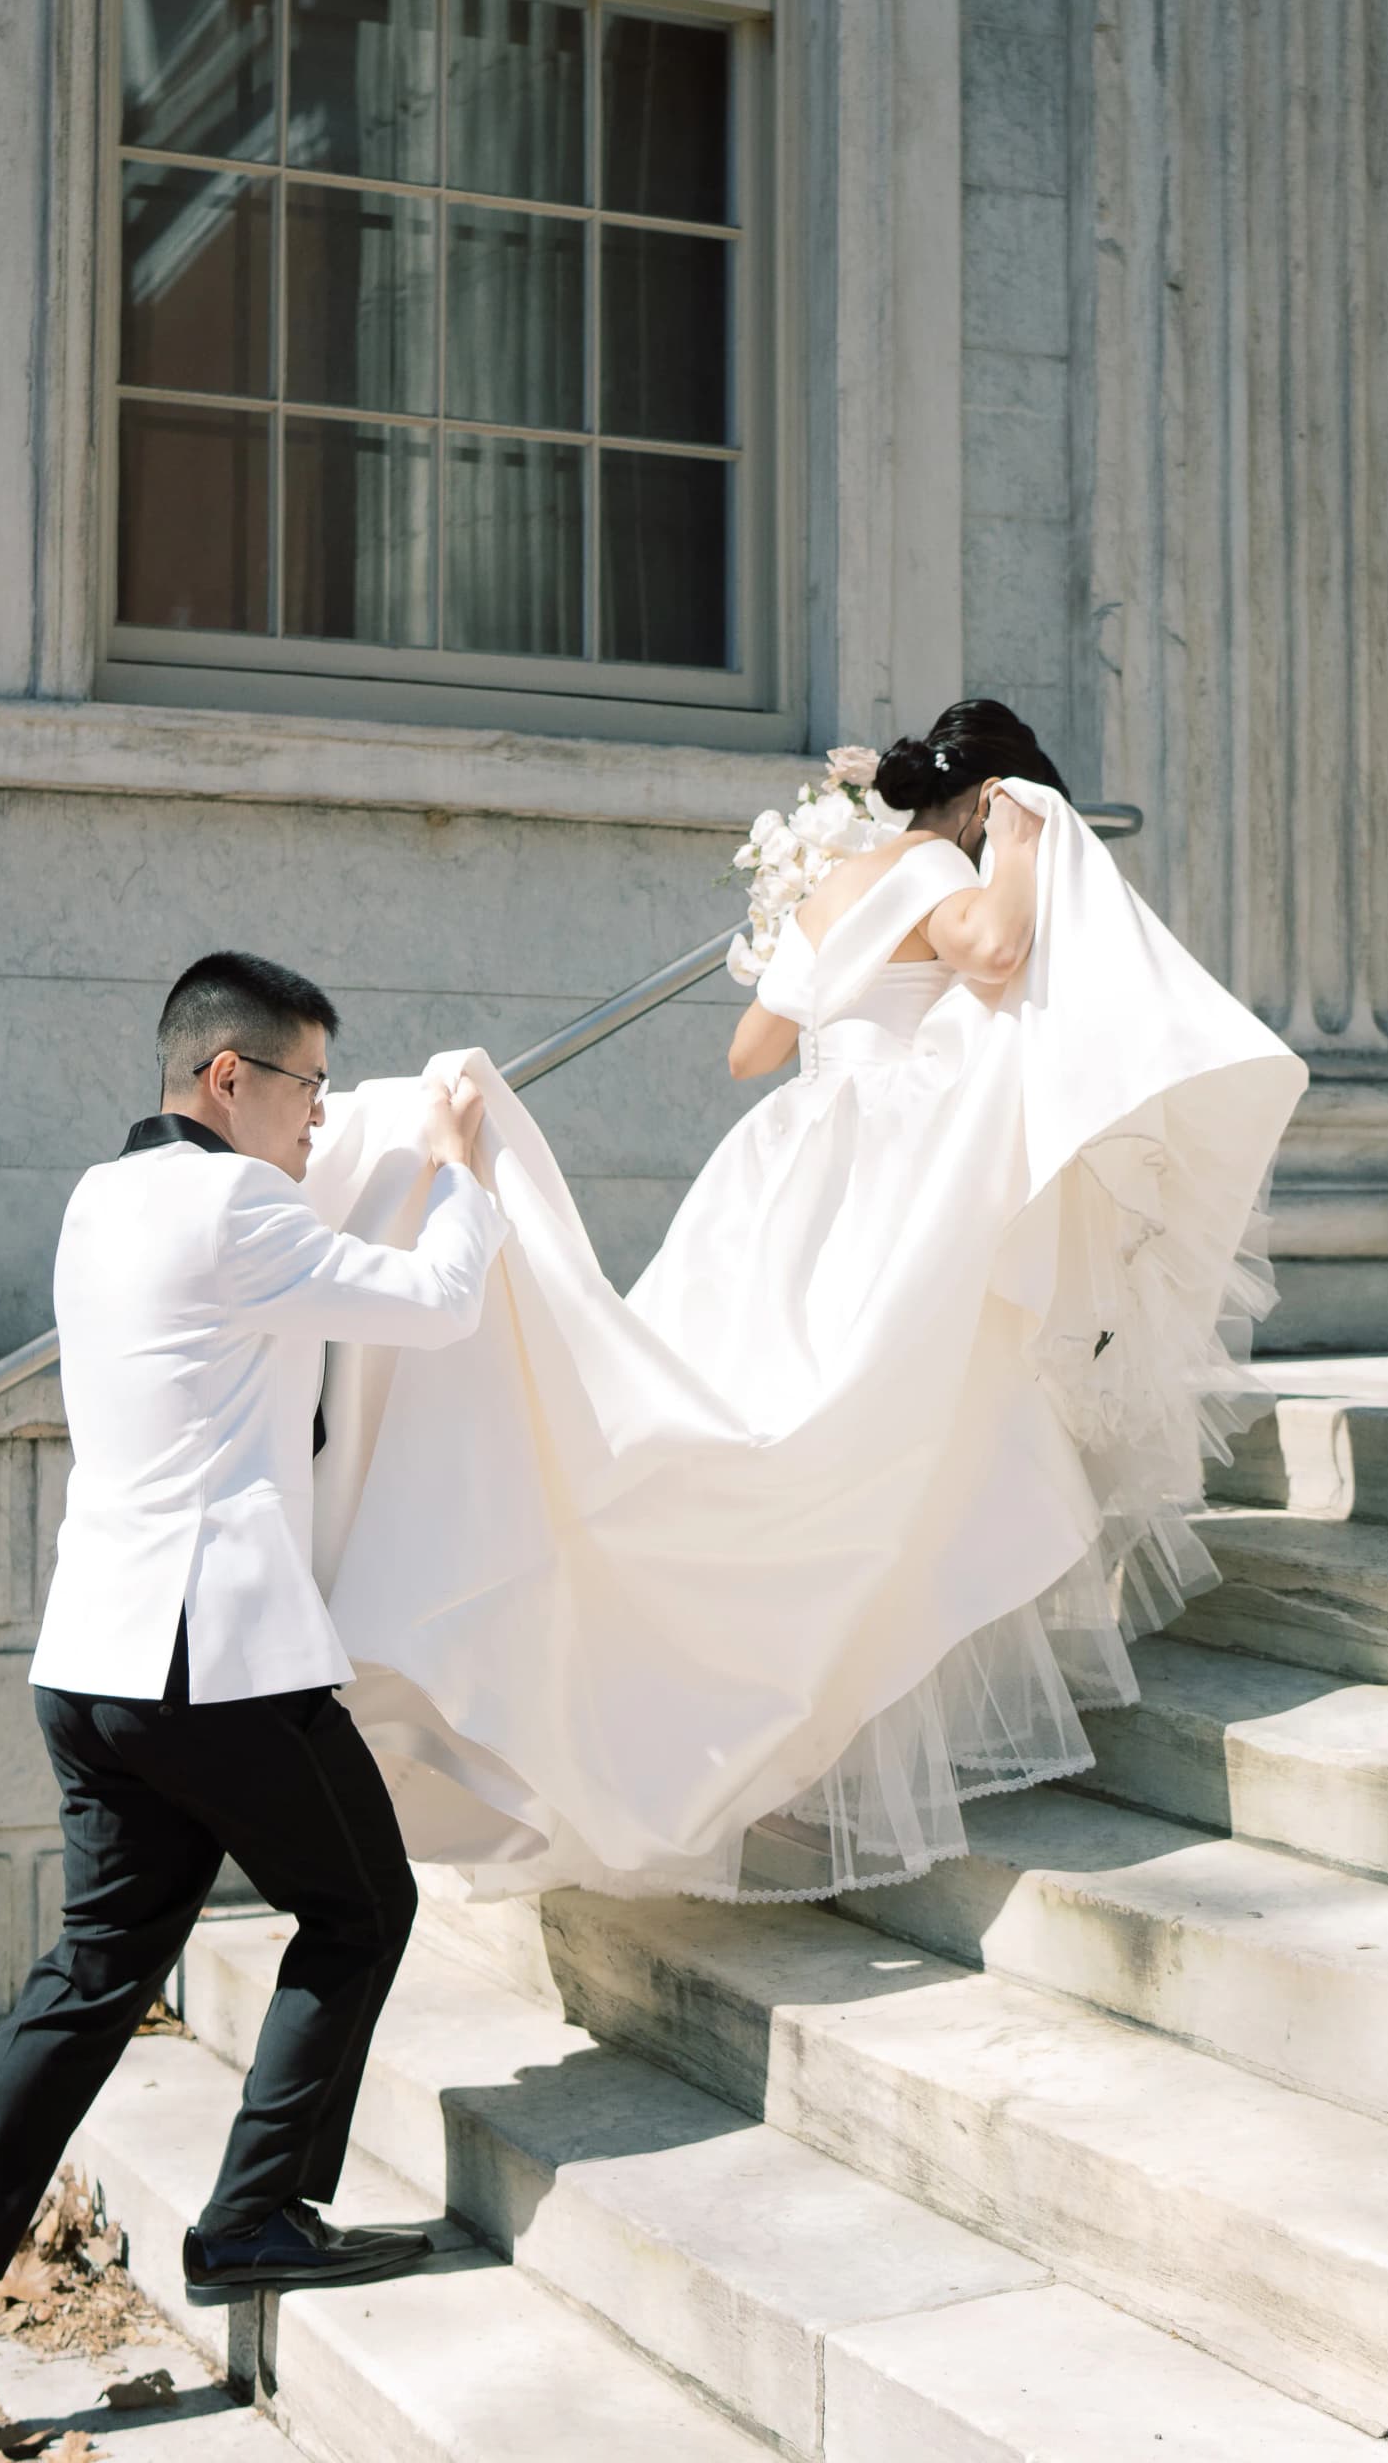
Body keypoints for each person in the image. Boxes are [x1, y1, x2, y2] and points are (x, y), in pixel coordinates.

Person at [309, 699, 1308, 1905]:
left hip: (790, 1165)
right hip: (889, 1161)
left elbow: (750, 1049)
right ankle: (808, 1725)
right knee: (874, 1429)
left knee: (776, 1415)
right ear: (986, 798)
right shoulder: (947, 861)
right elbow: (994, 953)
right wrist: (1032, 843)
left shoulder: (834, 883)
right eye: (1005, 810)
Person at [0, 952, 506, 2418]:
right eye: (310, 1085)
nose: (322, 1121)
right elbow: (438, 1302)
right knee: (363, 1903)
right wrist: (459, 1168)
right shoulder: (239, 1204)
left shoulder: (100, 1198)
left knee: (94, 1972)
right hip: (214, 1661)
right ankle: (253, 2213)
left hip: (91, 1663)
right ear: (227, 1078)